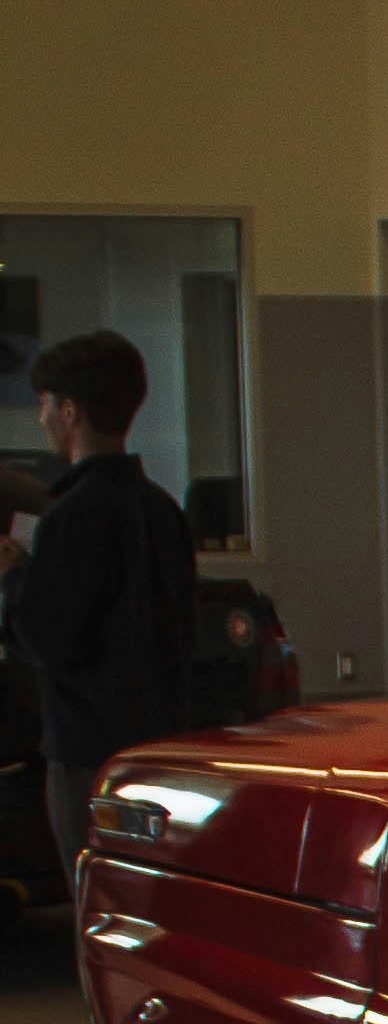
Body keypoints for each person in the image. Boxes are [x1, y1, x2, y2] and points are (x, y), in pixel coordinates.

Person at [1, 330, 201, 880]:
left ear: (70, 411)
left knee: (98, 903)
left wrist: (14, 575)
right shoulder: (160, 508)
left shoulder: (72, 514)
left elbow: (45, 637)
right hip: (160, 745)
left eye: (44, 404)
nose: (40, 418)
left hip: (89, 755)